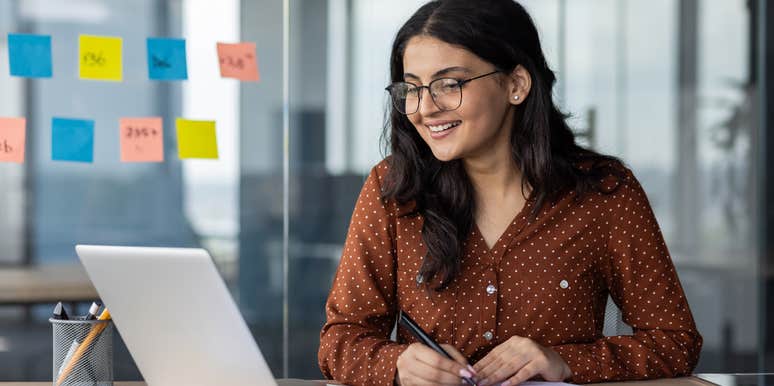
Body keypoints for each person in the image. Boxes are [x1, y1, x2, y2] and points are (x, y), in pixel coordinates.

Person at [318, 0, 703, 385]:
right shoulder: (394, 189)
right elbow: (340, 339)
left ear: (516, 84)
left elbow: (675, 342)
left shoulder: (604, 193)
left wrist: (564, 362)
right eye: (412, 89)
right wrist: (399, 365)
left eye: (449, 84)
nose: (424, 109)